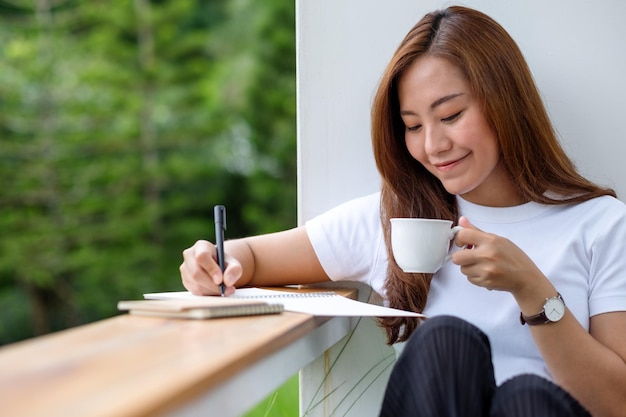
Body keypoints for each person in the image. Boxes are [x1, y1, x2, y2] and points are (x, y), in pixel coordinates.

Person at [180, 5, 626, 417]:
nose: (432, 145)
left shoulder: (601, 225)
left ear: (505, 102)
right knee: (446, 343)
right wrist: (216, 260)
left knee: (529, 398)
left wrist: (532, 291)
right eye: (413, 126)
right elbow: (251, 259)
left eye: (450, 115)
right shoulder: (400, 219)